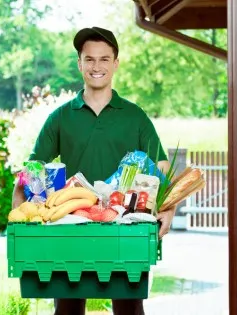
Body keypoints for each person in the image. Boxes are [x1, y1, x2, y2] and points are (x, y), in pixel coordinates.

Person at [11, 26, 177, 315]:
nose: (96, 66)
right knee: (67, 309)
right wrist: (20, 210)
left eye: (104, 59)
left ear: (115, 63)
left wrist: (169, 208)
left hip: (125, 229)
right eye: (89, 59)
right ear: (79, 63)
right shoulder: (61, 116)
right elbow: (34, 166)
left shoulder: (134, 116)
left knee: (129, 309)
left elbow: (161, 166)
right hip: (70, 229)